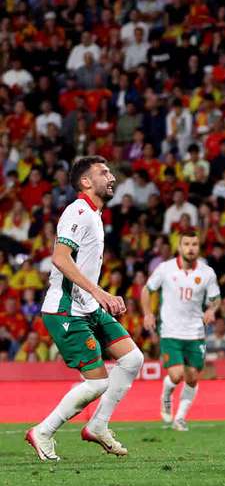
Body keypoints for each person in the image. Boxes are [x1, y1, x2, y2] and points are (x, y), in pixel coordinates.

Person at [26, 156, 144, 461]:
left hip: (87, 306)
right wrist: (100, 292)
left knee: (132, 358)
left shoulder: (94, 214)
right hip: (65, 310)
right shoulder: (78, 212)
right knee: (99, 382)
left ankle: (98, 425)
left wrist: (96, 297)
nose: (111, 177)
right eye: (104, 173)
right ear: (86, 182)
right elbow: (60, 258)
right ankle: (42, 432)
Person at [141, 230, 220, 431]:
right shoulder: (165, 269)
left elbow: (215, 298)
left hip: (195, 333)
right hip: (170, 331)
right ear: (179, 247)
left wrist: (211, 309)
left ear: (198, 247)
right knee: (176, 375)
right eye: (187, 244)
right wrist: (148, 313)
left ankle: (180, 418)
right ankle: (166, 396)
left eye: (194, 244)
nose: (191, 248)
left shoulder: (207, 273)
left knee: (192, 376)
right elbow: (146, 290)